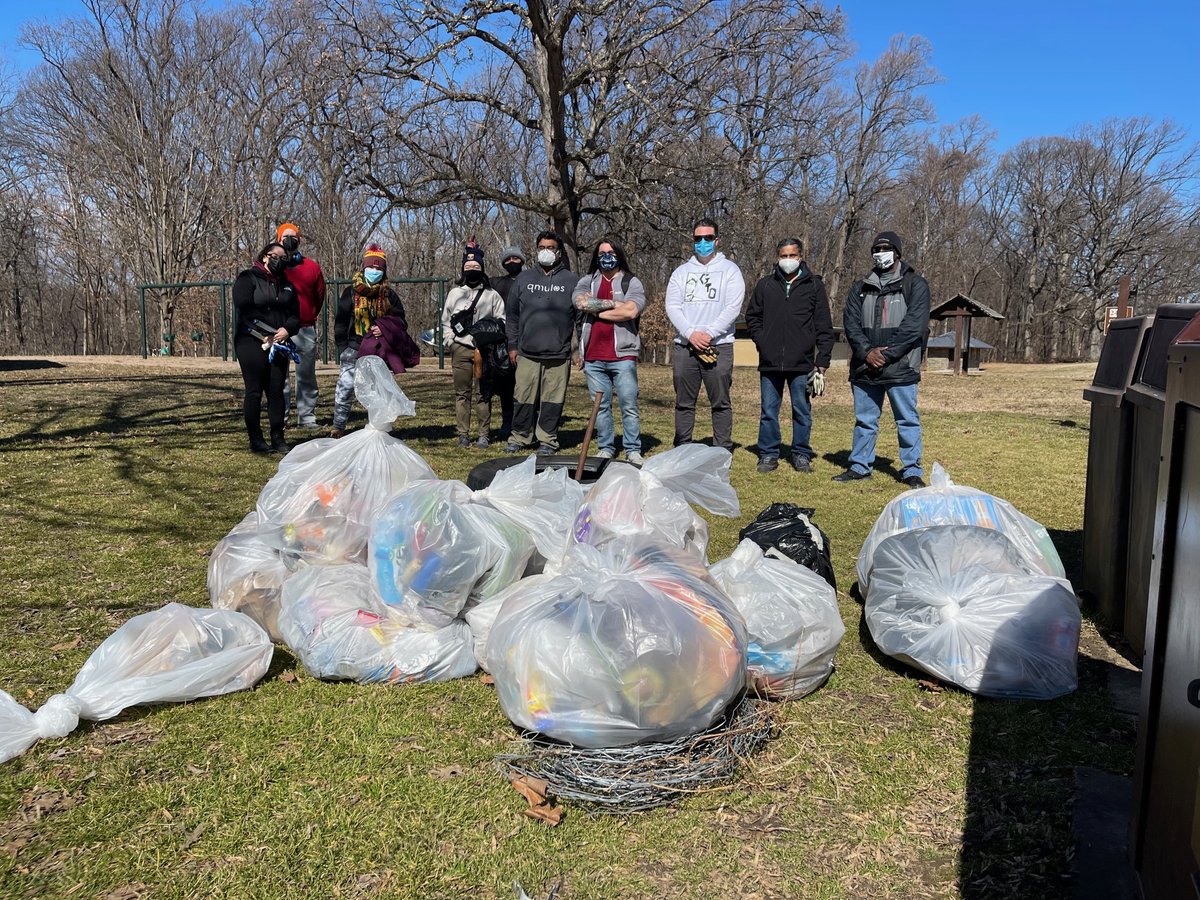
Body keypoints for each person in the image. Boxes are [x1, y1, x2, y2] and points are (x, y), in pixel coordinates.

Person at [834, 230, 931, 488]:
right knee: (865, 420)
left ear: (897, 253)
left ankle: (911, 470)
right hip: (865, 368)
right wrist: (867, 352)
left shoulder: (915, 284)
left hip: (901, 367)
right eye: (876, 250)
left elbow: (914, 327)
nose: (880, 254)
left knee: (907, 420)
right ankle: (859, 466)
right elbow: (851, 325)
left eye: (885, 249)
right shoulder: (860, 287)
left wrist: (886, 355)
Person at [746, 238, 834, 474]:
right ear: (777, 258)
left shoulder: (814, 286)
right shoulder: (765, 285)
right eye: (783, 256)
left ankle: (801, 453)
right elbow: (752, 317)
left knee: (802, 411)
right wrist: (762, 341)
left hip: (802, 363)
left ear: (801, 257)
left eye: (792, 256)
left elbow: (824, 325)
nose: (788, 261)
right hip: (770, 362)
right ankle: (768, 454)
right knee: (768, 411)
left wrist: (822, 361)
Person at [664, 217, 745, 452]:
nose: (702, 243)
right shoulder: (681, 272)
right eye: (698, 239)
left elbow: (733, 307)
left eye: (708, 238)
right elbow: (672, 306)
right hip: (685, 347)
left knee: (720, 402)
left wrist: (708, 334)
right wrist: (690, 334)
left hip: (719, 345)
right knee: (684, 403)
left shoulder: (730, 270)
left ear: (716, 240)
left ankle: (721, 450)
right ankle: (682, 448)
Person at [574, 236, 647, 464]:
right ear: (597, 257)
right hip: (594, 357)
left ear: (619, 255)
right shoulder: (587, 281)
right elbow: (581, 303)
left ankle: (633, 449)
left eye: (611, 253)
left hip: (623, 355)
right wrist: (616, 304)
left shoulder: (631, 282)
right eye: (602, 253)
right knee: (601, 408)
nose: (607, 257)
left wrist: (599, 309)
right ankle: (606, 447)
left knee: (629, 404)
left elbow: (631, 312)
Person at [504, 230, 578, 455]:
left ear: (559, 251)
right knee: (523, 398)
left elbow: (580, 319)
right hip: (527, 352)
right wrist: (513, 345)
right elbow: (512, 316)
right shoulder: (524, 279)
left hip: (558, 354)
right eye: (542, 248)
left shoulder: (572, 281)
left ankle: (548, 440)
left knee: (552, 401)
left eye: (551, 248)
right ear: (536, 250)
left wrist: (577, 350)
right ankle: (520, 437)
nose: (546, 252)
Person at [331, 244, 406, 436]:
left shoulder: (389, 295)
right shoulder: (350, 293)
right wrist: (343, 347)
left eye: (379, 268)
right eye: (371, 267)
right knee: (346, 387)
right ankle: (338, 426)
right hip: (354, 346)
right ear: (363, 268)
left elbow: (401, 322)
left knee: (378, 389)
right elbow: (340, 321)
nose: (374, 271)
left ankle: (379, 426)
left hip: (379, 350)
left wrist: (384, 328)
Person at [233, 242, 300, 454]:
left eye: (284, 258)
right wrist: (267, 332)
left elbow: (296, 315)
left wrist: (287, 330)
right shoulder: (247, 278)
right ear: (264, 257)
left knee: (276, 390)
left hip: (280, 343)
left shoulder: (288, 286)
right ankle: (256, 439)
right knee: (254, 391)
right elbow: (244, 307)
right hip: (251, 341)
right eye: (275, 256)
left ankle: (278, 437)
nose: (279, 261)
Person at [440, 239, 506, 447]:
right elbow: (445, 321)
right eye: (468, 267)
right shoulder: (455, 293)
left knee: (483, 393)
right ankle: (463, 434)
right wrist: (451, 341)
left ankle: (483, 434)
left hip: (484, 351)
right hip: (460, 348)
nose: (472, 270)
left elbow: (502, 320)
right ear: (463, 269)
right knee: (462, 393)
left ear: (482, 269)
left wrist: (488, 336)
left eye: (476, 267)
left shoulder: (492, 295)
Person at [275, 223, 326, 429]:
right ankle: (281, 418)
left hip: (304, 328)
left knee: (306, 375)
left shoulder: (312, 267)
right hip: (278, 330)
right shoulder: (274, 266)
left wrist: (308, 315)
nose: (289, 239)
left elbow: (319, 295)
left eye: (292, 236)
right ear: (278, 240)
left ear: (299, 239)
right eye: (284, 236)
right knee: (279, 377)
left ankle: (306, 418)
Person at [487, 246, 524, 436]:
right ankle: (507, 422)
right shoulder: (496, 283)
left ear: (522, 260)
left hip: (528, 339)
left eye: (515, 259)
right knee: (506, 385)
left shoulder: (530, 281)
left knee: (526, 385)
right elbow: (472, 276)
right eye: (507, 260)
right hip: (503, 343)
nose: (511, 262)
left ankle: (526, 421)